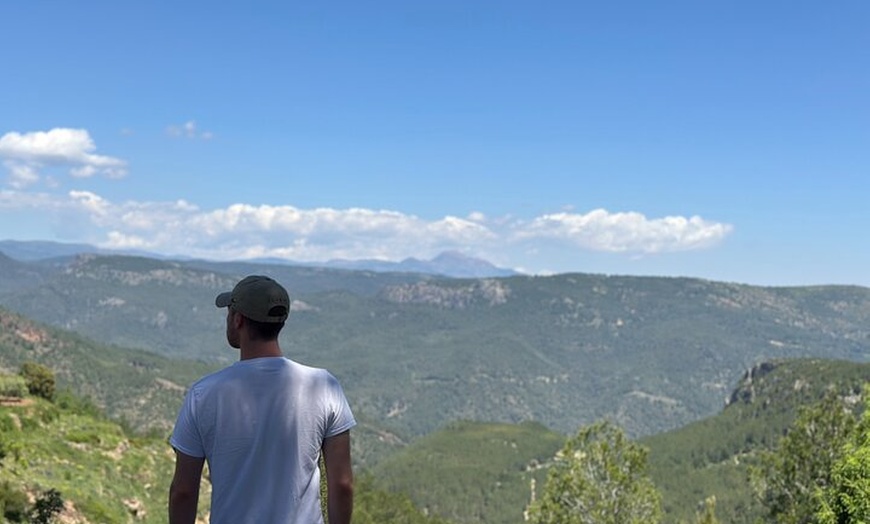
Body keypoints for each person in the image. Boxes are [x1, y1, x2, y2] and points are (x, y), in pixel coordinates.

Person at [168, 275, 355, 524]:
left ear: (238, 320)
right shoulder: (324, 386)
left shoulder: (204, 394)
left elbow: (183, 491)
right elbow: (342, 484)